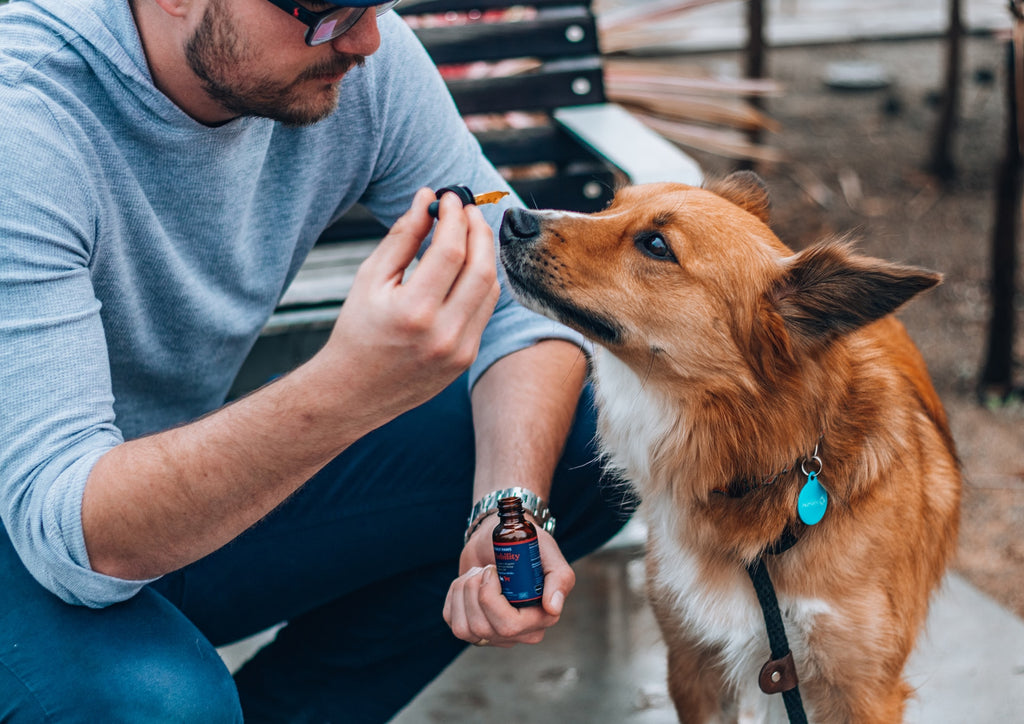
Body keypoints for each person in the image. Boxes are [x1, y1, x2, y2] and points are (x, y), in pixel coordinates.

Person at [0, 0, 628, 721]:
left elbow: (519, 308)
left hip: (155, 497)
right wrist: (351, 386)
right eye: (328, 8)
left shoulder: (359, 62)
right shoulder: (24, 122)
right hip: (38, 527)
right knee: (161, 708)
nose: (366, 39)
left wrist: (507, 509)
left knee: (591, 448)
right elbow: (70, 540)